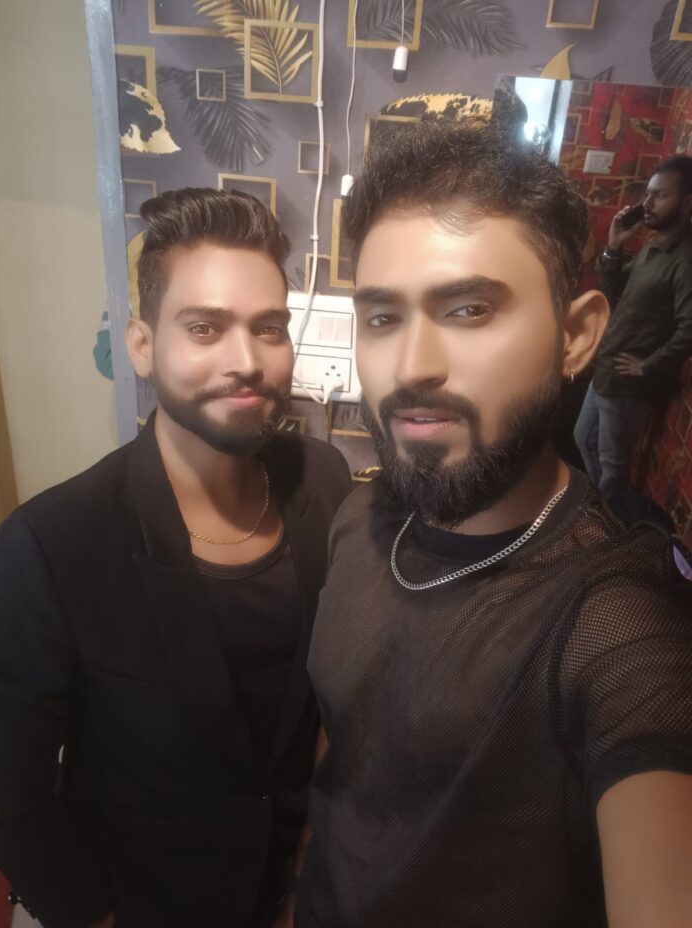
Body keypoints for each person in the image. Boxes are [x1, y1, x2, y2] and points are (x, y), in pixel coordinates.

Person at [295, 122, 692, 928]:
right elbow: (347, 754)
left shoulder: (615, 624)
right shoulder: (361, 519)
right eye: (382, 318)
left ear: (577, 335)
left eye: (469, 309)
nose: (412, 367)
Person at [0, 188, 350, 928]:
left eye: (270, 328)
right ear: (142, 346)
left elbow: (326, 686)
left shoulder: (322, 480)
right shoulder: (54, 544)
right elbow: (11, 788)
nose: (246, 361)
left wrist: (309, 862)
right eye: (204, 328)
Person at [574, 155, 692, 492]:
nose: (648, 203)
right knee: (583, 437)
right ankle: (600, 507)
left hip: (629, 385)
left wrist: (648, 365)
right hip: (607, 370)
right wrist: (614, 246)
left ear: (687, 203)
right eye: (648, 194)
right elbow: (615, 292)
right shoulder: (655, 246)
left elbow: (689, 328)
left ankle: (609, 519)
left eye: (661, 195)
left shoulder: (685, 259)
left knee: (613, 466)